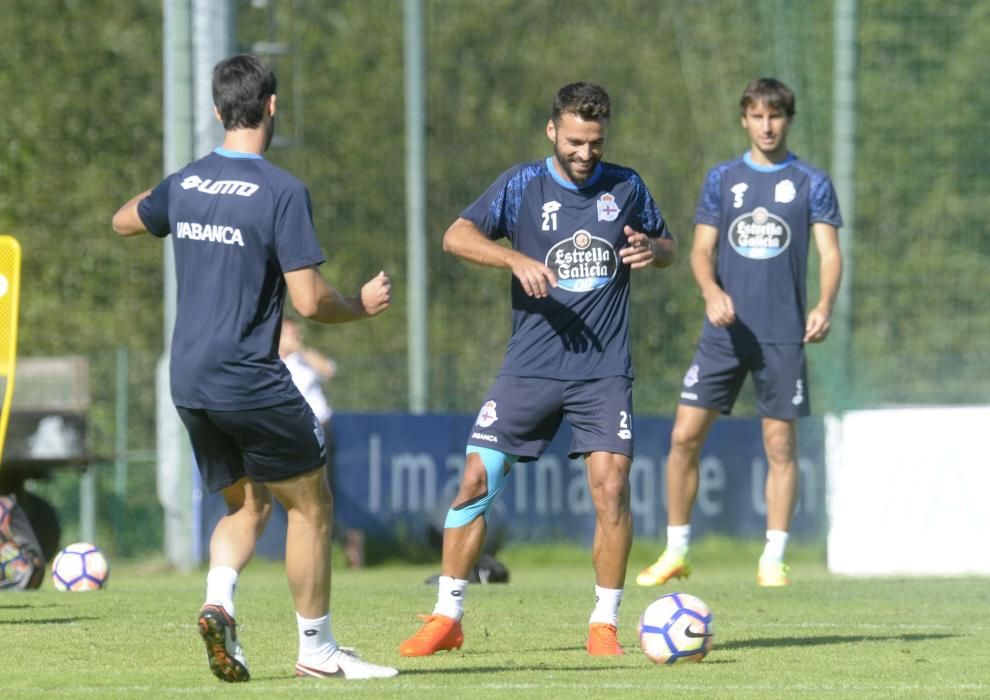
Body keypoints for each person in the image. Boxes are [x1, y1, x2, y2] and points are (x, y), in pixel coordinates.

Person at [111, 54, 397, 682]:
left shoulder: (186, 183)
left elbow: (124, 220)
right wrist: (364, 306)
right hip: (247, 375)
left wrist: (176, 192)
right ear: (271, 106)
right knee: (312, 505)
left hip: (188, 379)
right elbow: (309, 302)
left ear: (218, 111)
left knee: (247, 507)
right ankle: (317, 652)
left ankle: (219, 601)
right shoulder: (281, 191)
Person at [399, 82, 676, 658]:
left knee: (612, 486)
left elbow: (668, 242)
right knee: (477, 478)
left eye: (595, 142)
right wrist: (512, 256)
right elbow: (455, 235)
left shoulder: (627, 185)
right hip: (529, 367)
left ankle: (605, 624)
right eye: (575, 140)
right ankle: (447, 616)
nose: (585, 153)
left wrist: (655, 249)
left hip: (603, 370)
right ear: (552, 130)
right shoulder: (521, 184)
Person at [635, 77, 843, 589]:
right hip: (724, 333)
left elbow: (830, 253)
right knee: (683, 437)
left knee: (780, 447)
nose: (766, 126)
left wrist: (823, 305)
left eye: (775, 116)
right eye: (757, 116)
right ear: (744, 120)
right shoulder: (723, 179)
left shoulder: (810, 181)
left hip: (781, 335)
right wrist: (710, 291)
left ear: (787, 120)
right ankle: (676, 550)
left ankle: (773, 558)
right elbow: (701, 251)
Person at [279, 317, 365, 568]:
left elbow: (329, 370)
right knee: (289, 495)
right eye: (289, 334)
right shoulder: (271, 363)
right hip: (288, 434)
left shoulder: (304, 360)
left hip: (318, 430)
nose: (295, 338)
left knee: (320, 493)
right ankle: (318, 548)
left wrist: (302, 350)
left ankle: (340, 543)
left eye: (296, 334)